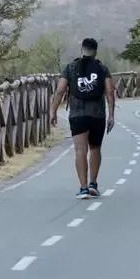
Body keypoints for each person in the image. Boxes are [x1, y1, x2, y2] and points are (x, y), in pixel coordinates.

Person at [49, 37, 115, 198]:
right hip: (97, 114)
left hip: (77, 114)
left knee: (80, 150)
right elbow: (110, 91)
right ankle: (93, 183)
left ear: (82, 50)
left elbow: (60, 90)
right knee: (95, 149)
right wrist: (112, 115)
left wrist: (53, 111)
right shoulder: (102, 68)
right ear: (95, 51)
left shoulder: (70, 68)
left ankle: (83, 187)